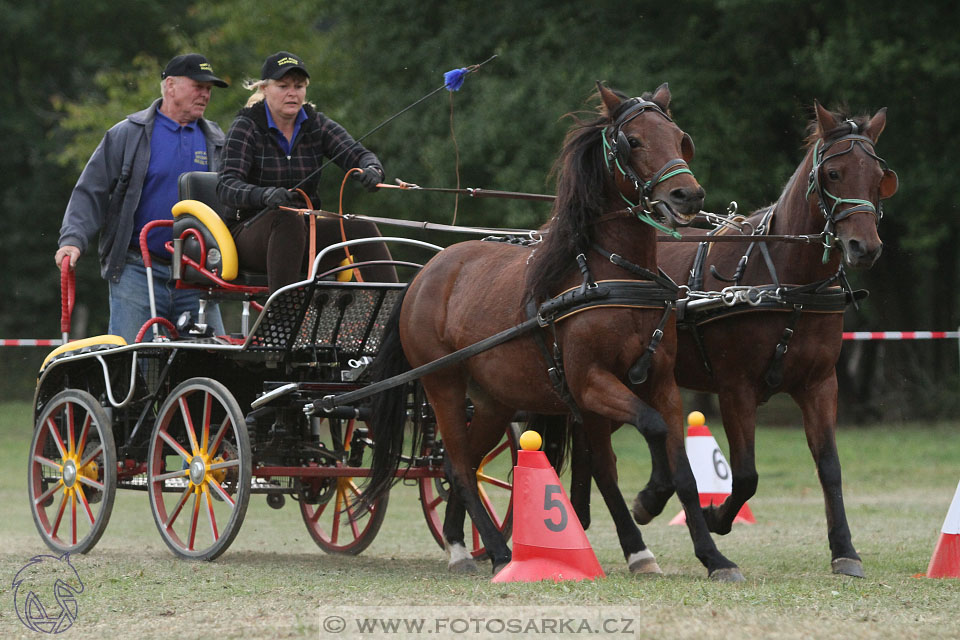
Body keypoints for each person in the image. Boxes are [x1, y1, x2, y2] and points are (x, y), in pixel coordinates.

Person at [55, 53, 228, 343]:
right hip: (136, 268)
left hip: (196, 274)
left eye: (209, 89)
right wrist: (73, 239)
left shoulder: (217, 141)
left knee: (216, 358)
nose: (205, 94)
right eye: (198, 86)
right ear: (170, 86)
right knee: (133, 364)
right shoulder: (128, 134)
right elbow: (91, 190)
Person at [217, 51, 396, 293]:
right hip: (249, 236)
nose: (292, 93)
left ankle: (391, 317)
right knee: (286, 218)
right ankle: (282, 316)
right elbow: (226, 185)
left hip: (304, 233)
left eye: (299, 86)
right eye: (283, 86)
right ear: (265, 89)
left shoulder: (316, 124)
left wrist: (372, 169)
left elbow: (359, 155)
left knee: (362, 228)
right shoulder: (246, 126)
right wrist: (264, 195)